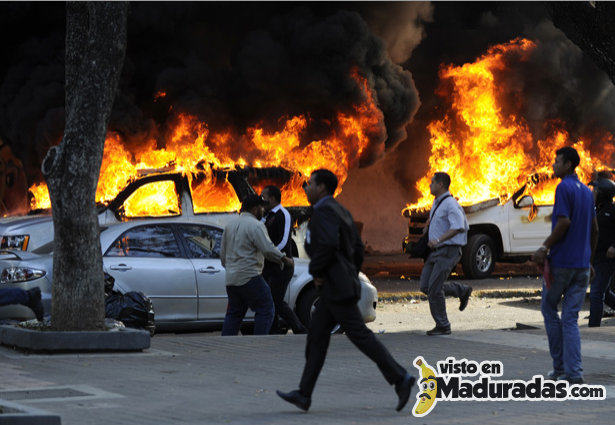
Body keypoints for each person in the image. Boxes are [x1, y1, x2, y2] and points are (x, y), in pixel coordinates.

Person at [276, 169, 415, 412]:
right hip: (338, 285)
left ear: (321, 188)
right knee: (317, 338)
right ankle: (304, 394)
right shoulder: (341, 210)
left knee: (359, 336)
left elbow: (327, 245)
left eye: (309, 184)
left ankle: (400, 378)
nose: (306, 188)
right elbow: (358, 249)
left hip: (334, 287)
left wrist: (318, 272)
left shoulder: (324, 211)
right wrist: (349, 272)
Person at [532, 147, 598, 384]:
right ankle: (574, 373)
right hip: (581, 266)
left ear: (568, 165)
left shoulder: (563, 188)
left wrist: (544, 247)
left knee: (549, 310)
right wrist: (589, 260)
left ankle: (560, 367)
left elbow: (563, 223)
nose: (553, 165)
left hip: (561, 264)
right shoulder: (587, 192)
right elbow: (595, 229)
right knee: (570, 318)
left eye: (557, 161)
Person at [220, 194, 294, 336]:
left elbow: (223, 255)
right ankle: (259, 342)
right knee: (266, 308)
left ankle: (226, 343)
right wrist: (285, 259)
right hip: (250, 276)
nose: (263, 210)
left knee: (234, 314)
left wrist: (232, 269)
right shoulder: (256, 225)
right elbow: (268, 249)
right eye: (261, 207)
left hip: (231, 279)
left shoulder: (229, 225)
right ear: (255, 209)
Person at [419, 172, 472, 336]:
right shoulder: (437, 202)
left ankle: (443, 325)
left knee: (434, 288)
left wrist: (439, 239)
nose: (429, 185)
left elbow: (459, 226)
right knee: (426, 286)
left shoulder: (450, 204)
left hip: (448, 250)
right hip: (436, 252)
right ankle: (461, 290)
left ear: (441, 184)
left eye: (432, 182)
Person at [261, 185, 307, 334]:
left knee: (276, 300)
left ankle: (298, 328)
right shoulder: (266, 215)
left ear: (272, 198)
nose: (262, 201)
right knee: (270, 300)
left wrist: (273, 253)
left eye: (264, 197)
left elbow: (283, 241)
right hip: (268, 264)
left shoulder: (283, 214)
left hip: (282, 265)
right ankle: (273, 330)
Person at [587, 176, 615, 327]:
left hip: (606, 260)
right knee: (605, 293)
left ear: (602, 194)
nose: (592, 193)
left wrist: (614, 246)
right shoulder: (597, 209)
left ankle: (593, 328)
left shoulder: (612, 211)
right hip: (596, 258)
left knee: (597, 293)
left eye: (595, 190)